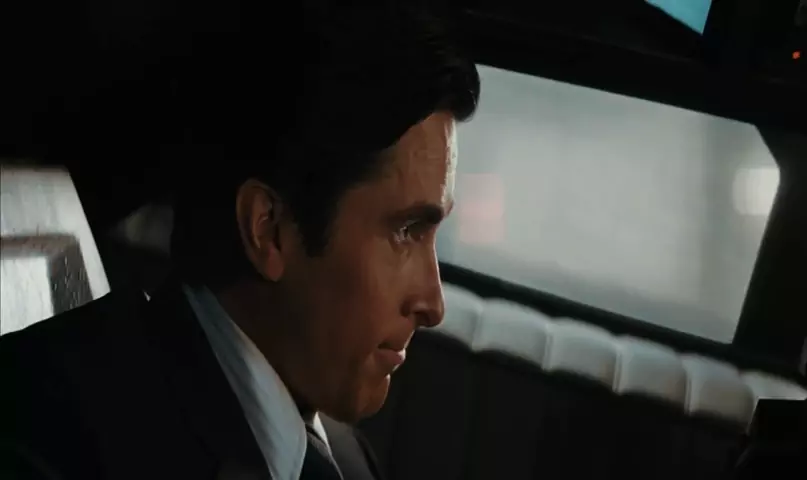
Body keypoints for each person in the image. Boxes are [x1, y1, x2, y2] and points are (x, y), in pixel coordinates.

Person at [0, 3, 480, 479]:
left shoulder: (346, 457)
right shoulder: (51, 434)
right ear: (268, 230)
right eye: (407, 232)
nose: (433, 304)